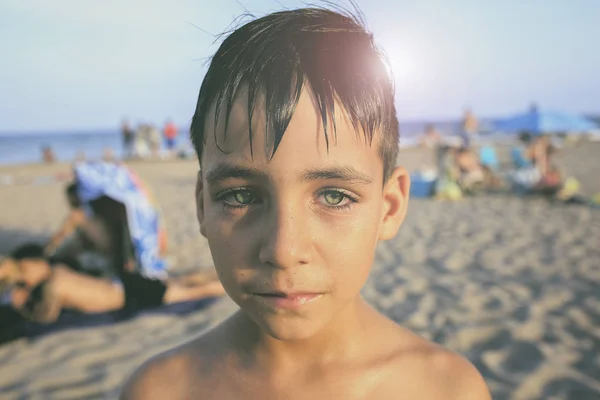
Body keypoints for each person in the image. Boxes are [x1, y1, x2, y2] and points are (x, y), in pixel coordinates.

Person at [121, 7, 491, 399]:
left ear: (390, 207)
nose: (283, 250)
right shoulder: (159, 391)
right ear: (202, 206)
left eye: (334, 196)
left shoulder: (446, 389)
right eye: (240, 196)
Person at [0, 244, 225, 324]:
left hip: (129, 295)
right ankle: (221, 273)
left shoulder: (53, 287)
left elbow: (46, 316)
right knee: (179, 280)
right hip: (122, 282)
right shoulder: (57, 269)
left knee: (188, 293)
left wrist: (22, 305)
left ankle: (228, 288)